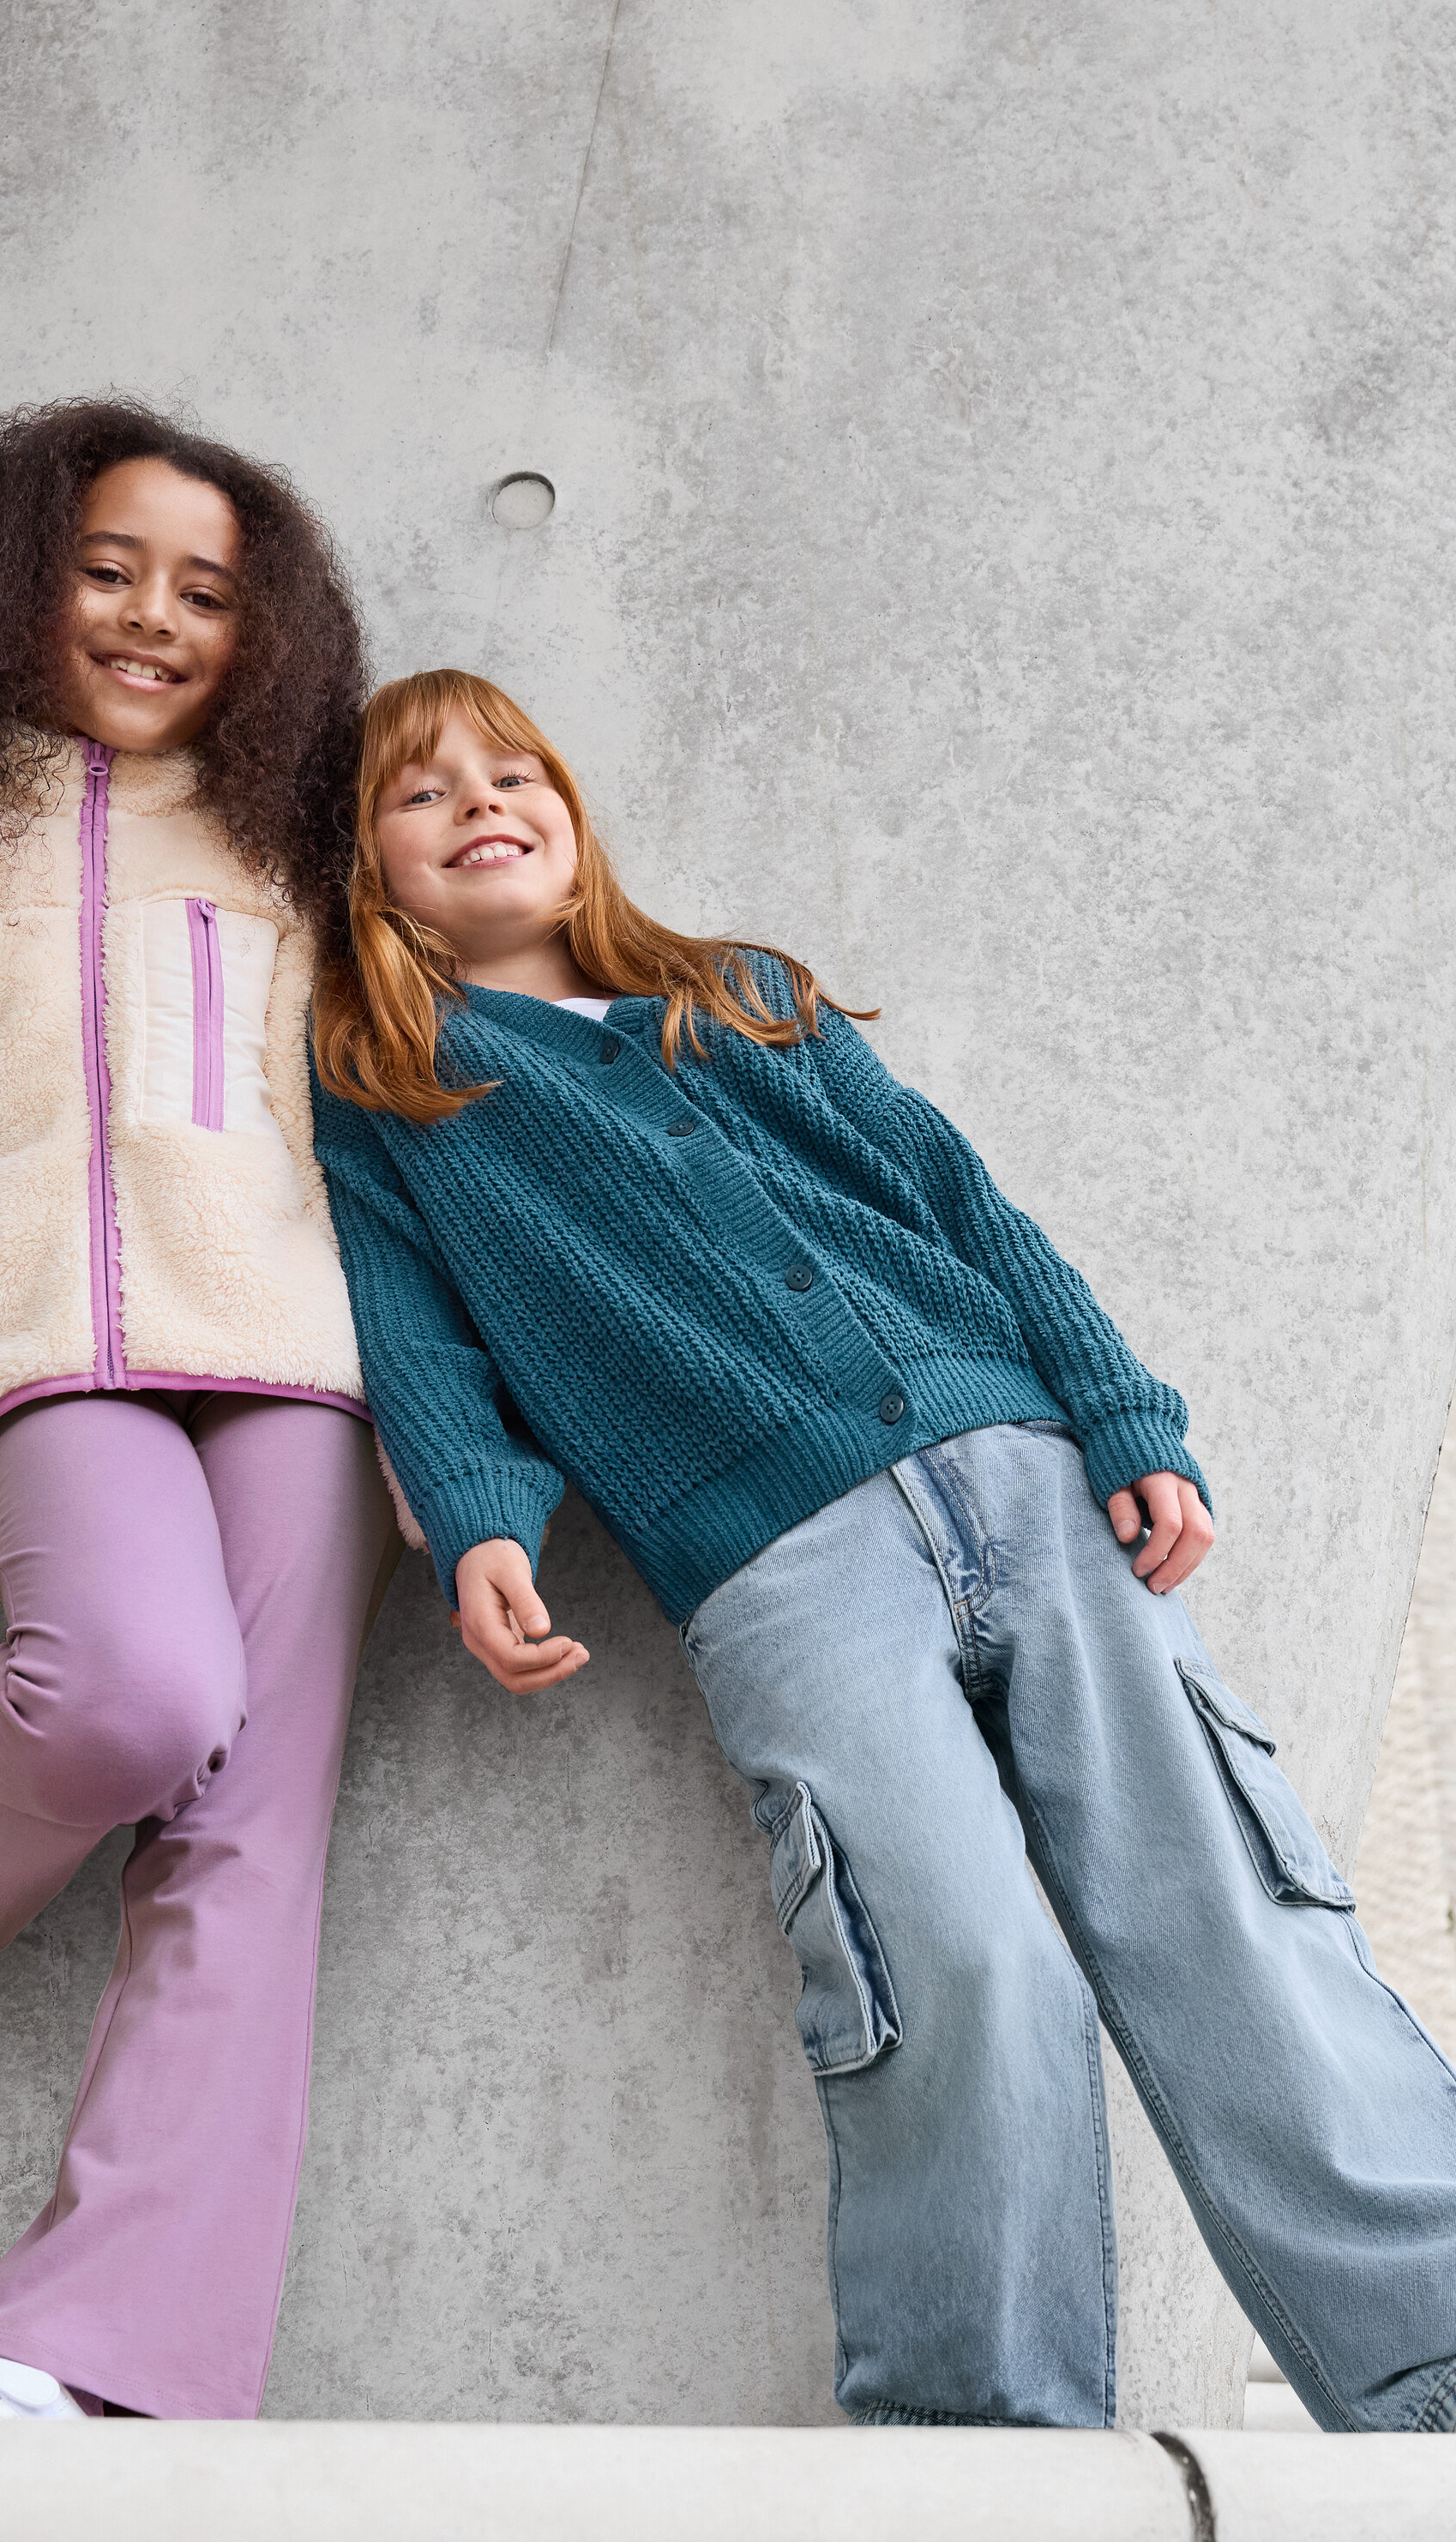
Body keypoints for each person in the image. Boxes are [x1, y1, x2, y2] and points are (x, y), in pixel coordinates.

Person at [309, 664, 1456, 2435]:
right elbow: (414, 1335)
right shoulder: (398, 1090)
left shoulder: (739, 998)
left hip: (1028, 1476)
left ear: (571, 808)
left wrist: (1123, 1417)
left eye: (513, 768)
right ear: (370, 869)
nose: (481, 801)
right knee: (948, 1955)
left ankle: (1434, 2367)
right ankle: (976, 2453)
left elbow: (962, 1203)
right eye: (421, 790)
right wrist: (474, 1517)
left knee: (1217, 1895)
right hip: (775, 1567)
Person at [0, 400, 403, 2421]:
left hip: (290, 1369)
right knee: (127, 1697)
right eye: (107, 569)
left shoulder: (302, 838)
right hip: (39, 1357)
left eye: (205, 591)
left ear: (262, 630)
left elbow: (413, 1138)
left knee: (247, 1838)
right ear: (15, 581)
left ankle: (81, 2361)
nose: (150, 617)